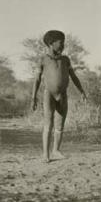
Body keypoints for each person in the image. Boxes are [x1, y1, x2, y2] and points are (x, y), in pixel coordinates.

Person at [31, 30, 87, 162]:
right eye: (61, 43)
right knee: (48, 124)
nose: (63, 46)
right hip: (49, 95)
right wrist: (33, 97)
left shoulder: (65, 60)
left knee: (60, 125)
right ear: (51, 43)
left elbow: (73, 76)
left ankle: (56, 150)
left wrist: (82, 91)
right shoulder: (43, 59)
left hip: (62, 95)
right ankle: (46, 154)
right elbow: (37, 80)